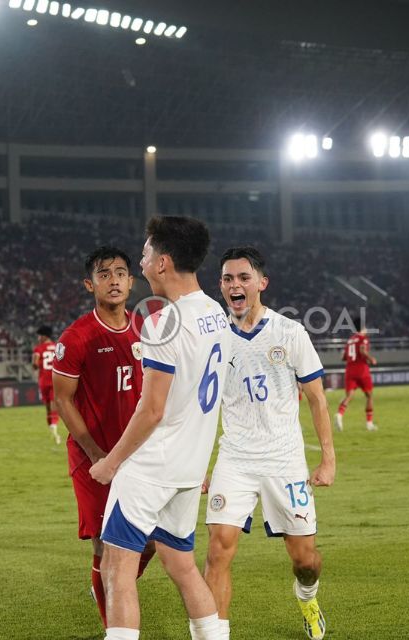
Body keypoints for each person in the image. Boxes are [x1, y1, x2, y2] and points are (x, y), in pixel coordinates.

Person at [89, 216, 232, 640]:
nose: (142, 261)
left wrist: (111, 463)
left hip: (152, 466)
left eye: (147, 253)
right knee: (182, 566)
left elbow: (151, 410)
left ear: (164, 262)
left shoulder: (161, 321)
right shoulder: (216, 314)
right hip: (188, 467)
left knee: (117, 567)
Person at [204, 247, 335, 640]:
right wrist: (200, 466)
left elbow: (317, 398)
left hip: (284, 459)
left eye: (243, 277)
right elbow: (203, 407)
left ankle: (307, 597)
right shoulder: (214, 338)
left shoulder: (290, 333)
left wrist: (327, 459)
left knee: (305, 561)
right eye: (227, 279)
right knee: (217, 549)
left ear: (262, 283)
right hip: (236, 458)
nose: (234, 285)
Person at [51, 247, 155, 630]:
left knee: (153, 541)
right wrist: (97, 455)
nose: (113, 280)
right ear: (89, 283)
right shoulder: (77, 336)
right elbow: (62, 399)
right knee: (103, 544)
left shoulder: (146, 329)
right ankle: (112, 621)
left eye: (120, 273)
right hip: (92, 459)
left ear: (131, 281)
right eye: (104, 273)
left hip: (138, 455)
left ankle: (111, 584)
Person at [335, 320, 377, 432]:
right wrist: (371, 359)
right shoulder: (363, 339)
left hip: (350, 370)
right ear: (362, 328)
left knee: (349, 396)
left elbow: (343, 357)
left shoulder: (350, 341)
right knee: (369, 396)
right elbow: (362, 350)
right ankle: (369, 423)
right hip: (362, 370)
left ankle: (339, 414)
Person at [32, 325, 61, 445]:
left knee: (48, 407)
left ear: (44, 336)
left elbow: (35, 364)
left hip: (44, 380)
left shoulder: (38, 349)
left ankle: (52, 429)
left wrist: (36, 363)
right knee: (55, 405)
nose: (38, 338)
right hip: (55, 379)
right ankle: (54, 428)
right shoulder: (57, 347)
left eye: (39, 335)